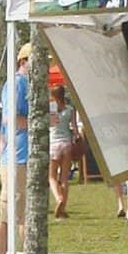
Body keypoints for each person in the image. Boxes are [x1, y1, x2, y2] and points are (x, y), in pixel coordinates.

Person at [0, 42, 30, 254]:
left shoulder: (25, 84)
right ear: (24, 61)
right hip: (17, 158)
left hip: (22, 157)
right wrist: (39, 121)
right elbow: (10, 119)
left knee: (24, 214)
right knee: (10, 216)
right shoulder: (17, 83)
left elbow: (3, 127)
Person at [47, 66, 79, 219]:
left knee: (51, 176)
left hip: (53, 143)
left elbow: (48, 125)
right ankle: (63, 207)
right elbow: (74, 128)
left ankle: (57, 197)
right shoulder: (70, 110)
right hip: (66, 143)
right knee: (64, 178)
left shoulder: (50, 110)